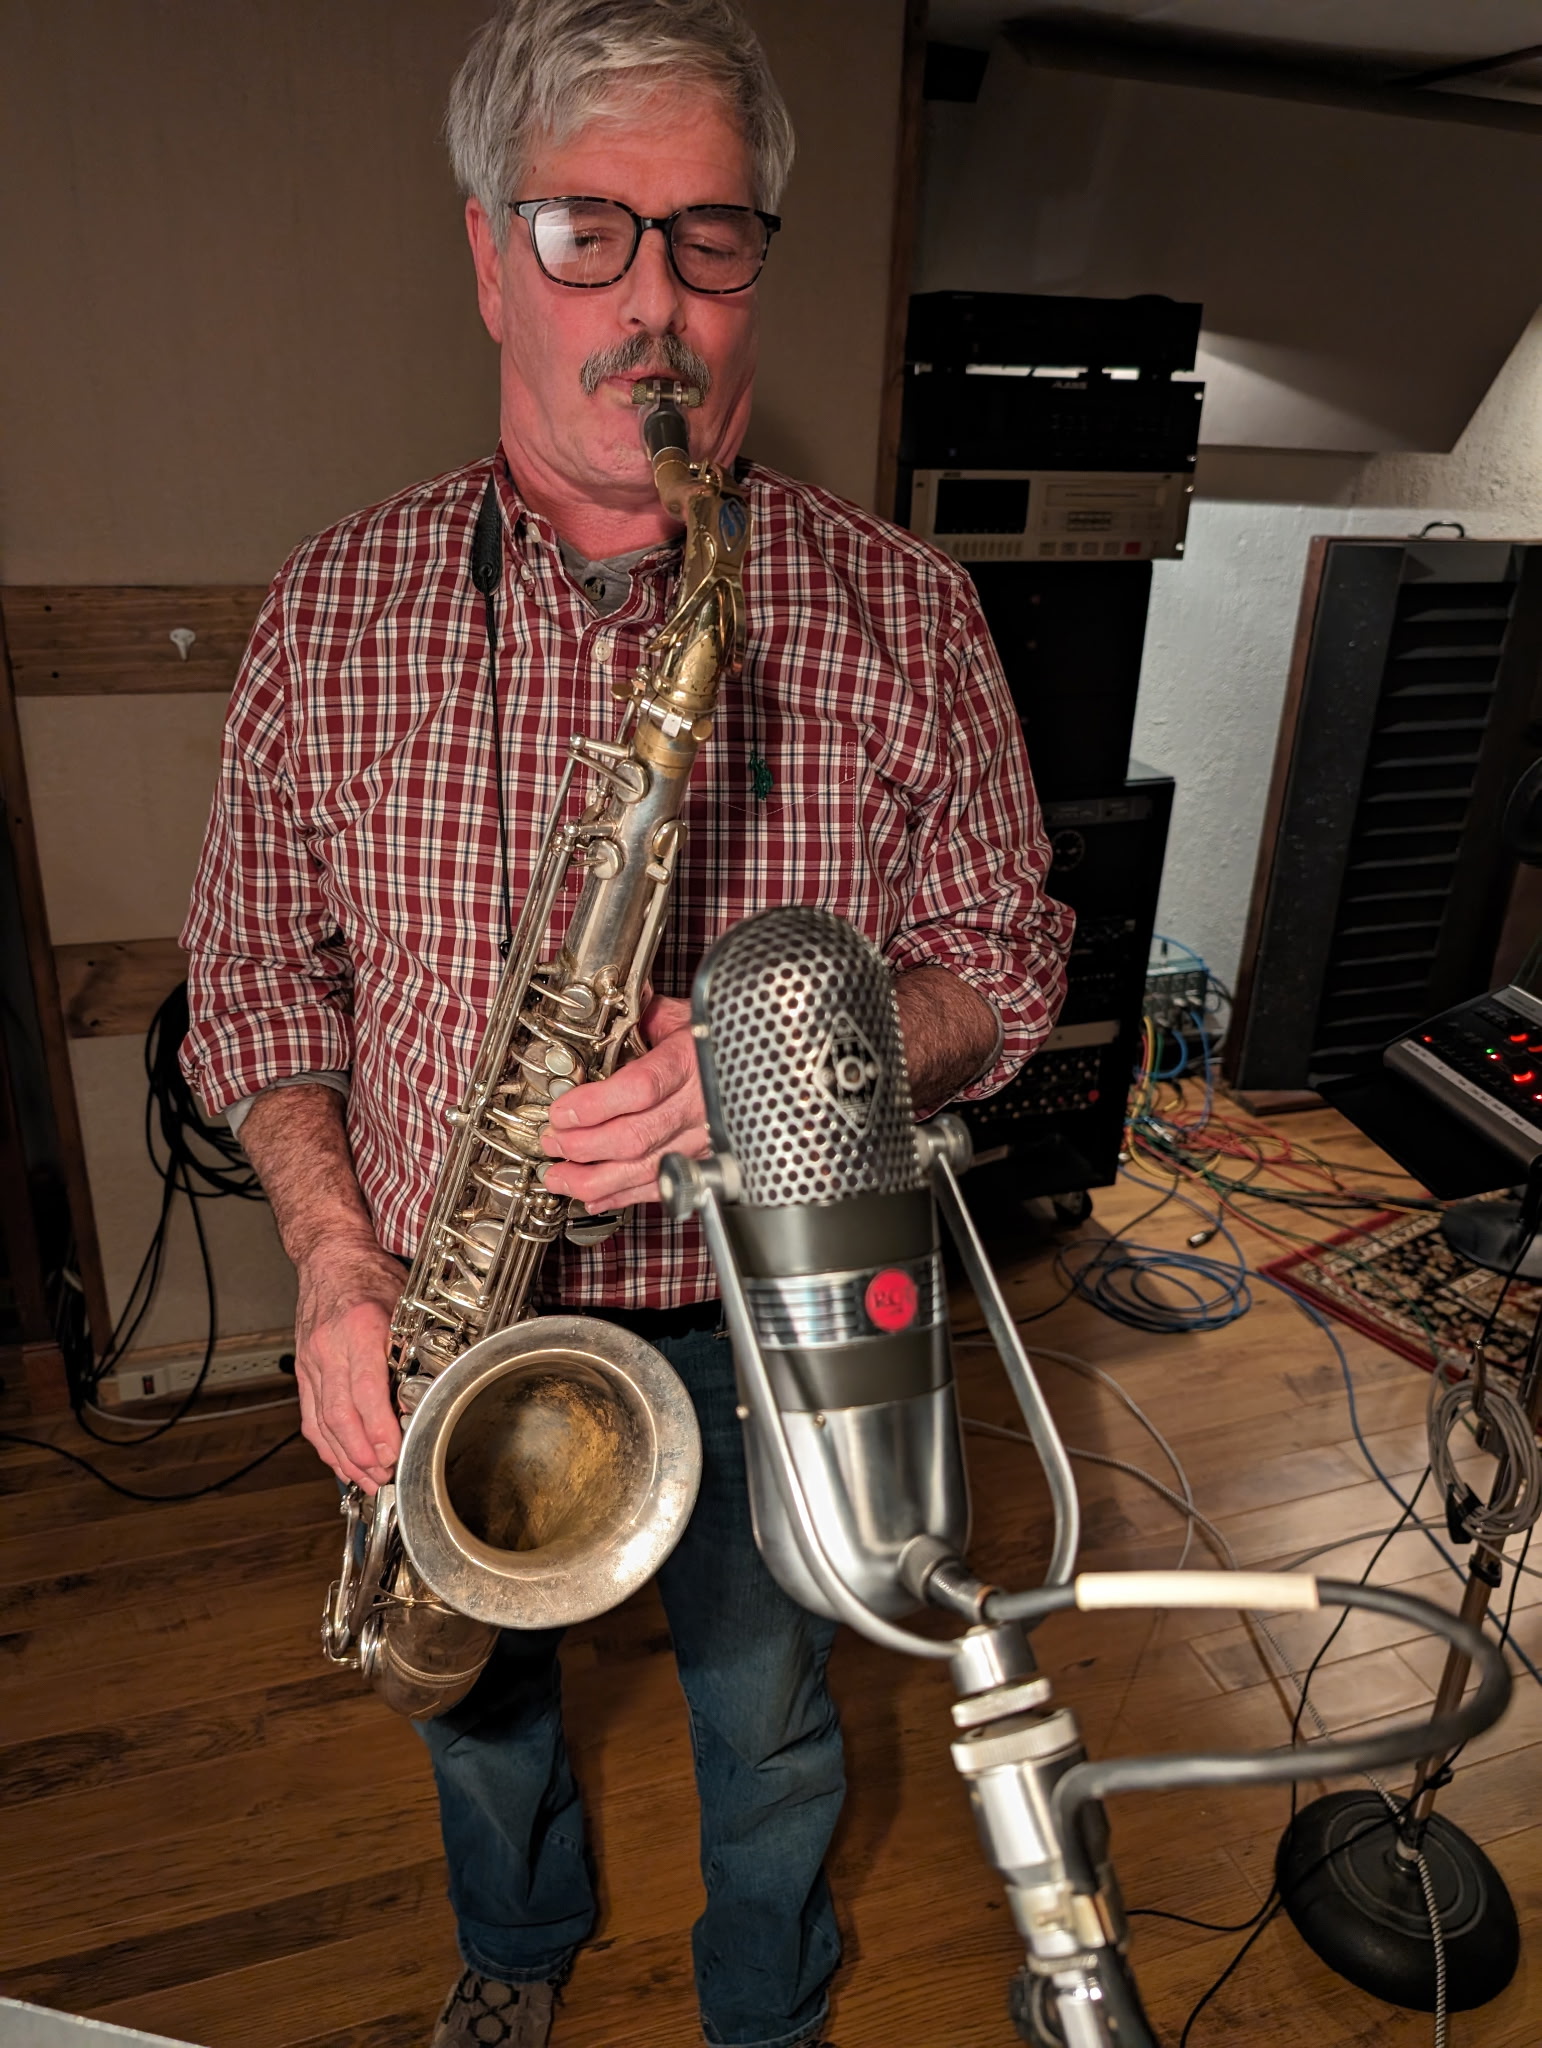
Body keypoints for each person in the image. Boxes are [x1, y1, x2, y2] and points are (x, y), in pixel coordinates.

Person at [180, 3, 1073, 2043]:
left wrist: (778, 1072)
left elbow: (1006, 975)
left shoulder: (910, 614)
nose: (654, 304)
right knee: (470, 1704)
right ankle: (515, 1951)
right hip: (440, 1301)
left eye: (710, 236)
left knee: (767, 1722)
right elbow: (250, 984)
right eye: (588, 232)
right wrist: (332, 1254)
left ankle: (766, 1994)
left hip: (774, 1311)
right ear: (489, 252)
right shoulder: (328, 607)